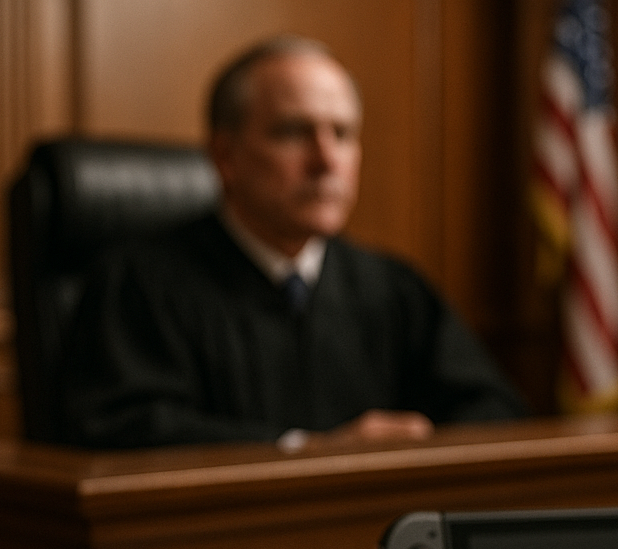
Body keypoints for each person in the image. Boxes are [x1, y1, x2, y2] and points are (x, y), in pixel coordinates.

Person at [62, 36, 525, 449]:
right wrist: (306, 449)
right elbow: (122, 429)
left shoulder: (391, 287)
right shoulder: (140, 284)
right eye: (293, 132)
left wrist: (424, 444)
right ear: (226, 156)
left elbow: (493, 409)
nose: (326, 159)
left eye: (342, 134)